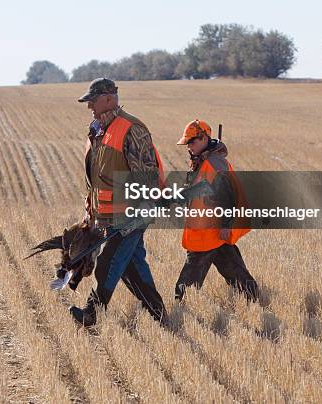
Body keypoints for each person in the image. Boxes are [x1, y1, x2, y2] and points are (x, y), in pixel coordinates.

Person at [69, 78, 167, 327]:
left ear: (110, 98)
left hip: (130, 214)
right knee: (132, 267)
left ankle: (92, 313)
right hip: (109, 215)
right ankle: (159, 315)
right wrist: (90, 210)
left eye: (93, 100)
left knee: (109, 263)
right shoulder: (99, 131)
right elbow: (97, 177)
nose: (89, 106)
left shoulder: (132, 128)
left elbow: (146, 173)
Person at [174, 119, 259, 303]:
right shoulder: (202, 161)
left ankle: (182, 304)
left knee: (191, 275)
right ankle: (253, 296)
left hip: (211, 229)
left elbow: (228, 195)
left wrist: (227, 225)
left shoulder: (214, 164)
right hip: (209, 228)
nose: (189, 146)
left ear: (204, 138)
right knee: (232, 268)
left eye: (192, 142)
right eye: (187, 143)